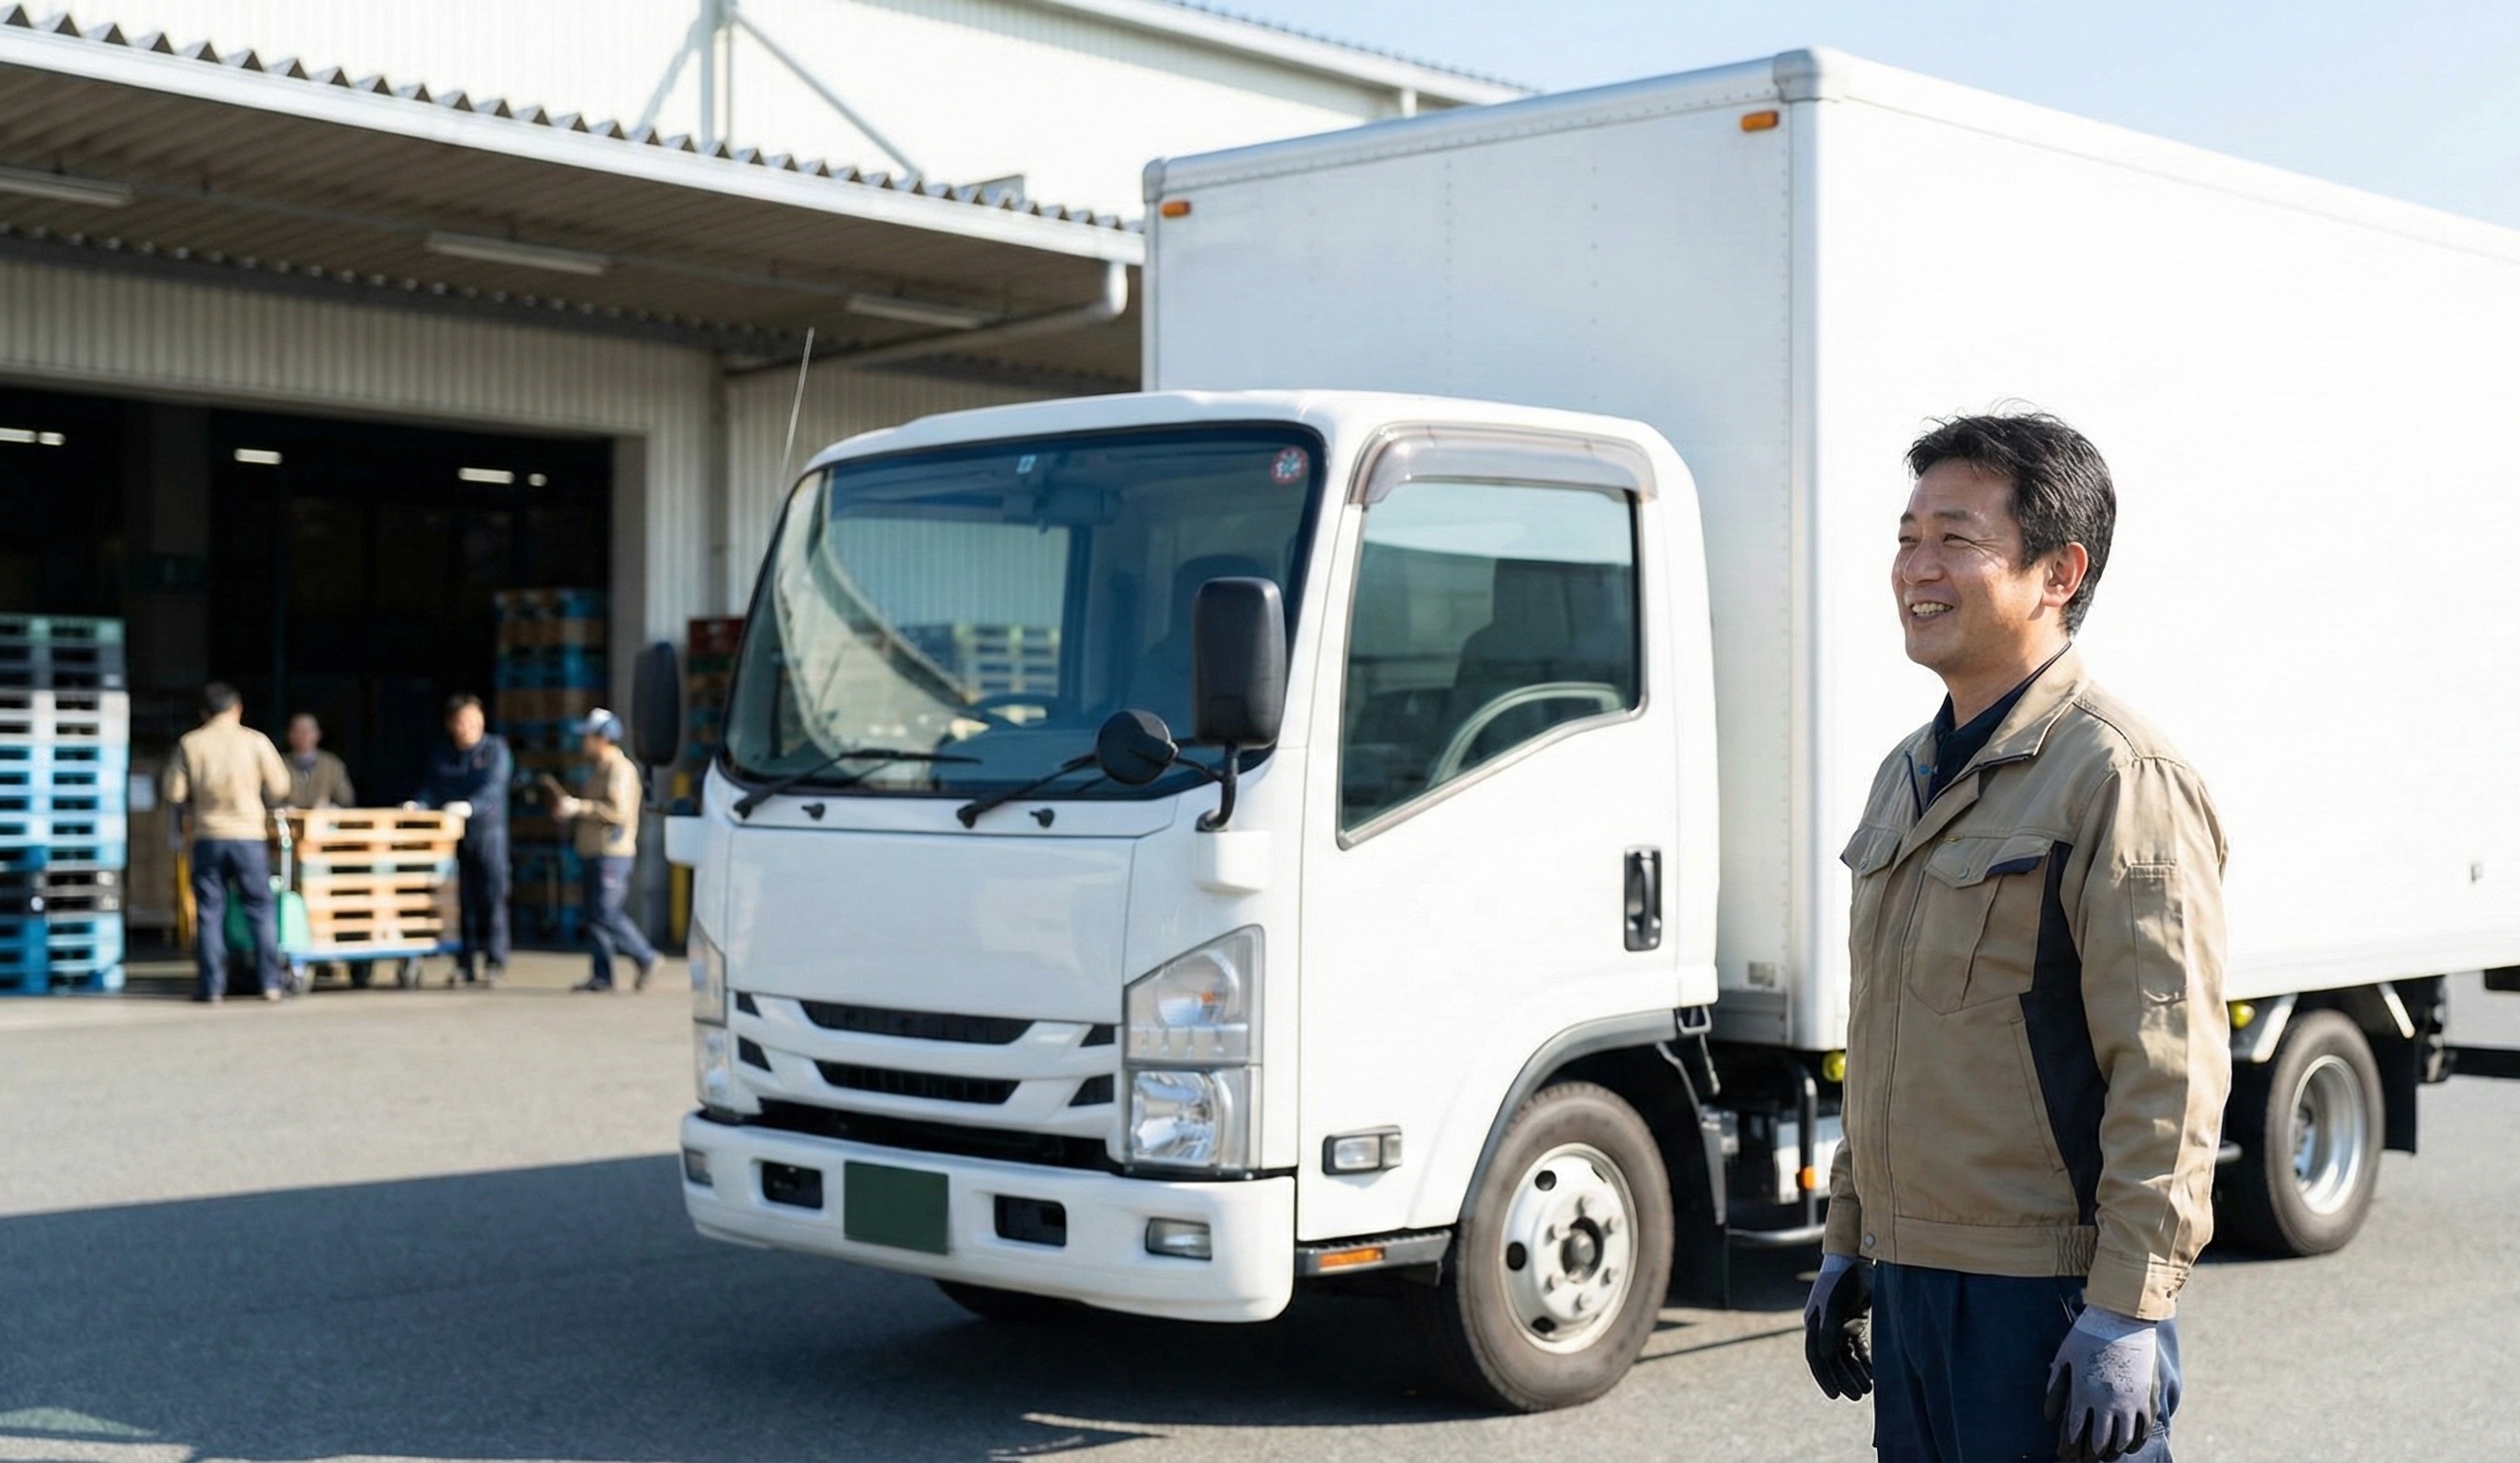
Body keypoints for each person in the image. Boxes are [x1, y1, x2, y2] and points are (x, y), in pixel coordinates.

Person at [1804, 413, 2230, 1463]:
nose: (1917, 567)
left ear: (2059, 572)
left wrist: (2125, 1309)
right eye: (1907, 537)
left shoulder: (2116, 778)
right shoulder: (1907, 772)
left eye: (1956, 538)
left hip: (2046, 1301)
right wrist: (1850, 1241)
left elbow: (2168, 1071)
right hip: (1913, 1286)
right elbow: (1890, 1037)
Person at [163, 683, 292, 1004]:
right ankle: (270, 984)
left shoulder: (190, 743)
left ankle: (212, 987)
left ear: (204, 713)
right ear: (237, 709)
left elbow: (173, 793)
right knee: (260, 909)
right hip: (249, 837)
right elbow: (280, 786)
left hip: (208, 836)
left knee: (209, 911)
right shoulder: (256, 741)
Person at [539, 710, 656, 992]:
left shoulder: (619, 770)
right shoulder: (599, 768)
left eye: (588, 737)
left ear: (603, 738)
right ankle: (602, 975)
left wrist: (577, 807)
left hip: (612, 853)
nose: (583, 742)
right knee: (593, 915)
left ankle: (645, 955)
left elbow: (618, 811)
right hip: (594, 851)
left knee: (606, 912)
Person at [415, 693, 511, 987]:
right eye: (462, 722)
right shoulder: (443, 754)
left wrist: (470, 807)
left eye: (474, 720)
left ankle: (495, 961)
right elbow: (433, 788)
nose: (468, 727)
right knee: (461, 901)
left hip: (487, 833)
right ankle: (464, 963)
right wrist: (420, 804)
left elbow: (494, 788)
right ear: (451, 725)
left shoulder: (495, 750)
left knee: (493, 898)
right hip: (452, 836)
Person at [281, 712, 355, 810]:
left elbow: (346, 799)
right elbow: (270, 798)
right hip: (288, 821)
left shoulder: (332, 765)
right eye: (297, 730)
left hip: (324, 820)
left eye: (308, 730)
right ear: (289, 735)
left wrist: (329, 807)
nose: (303, 735)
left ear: (318, 734)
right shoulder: (279, 763)